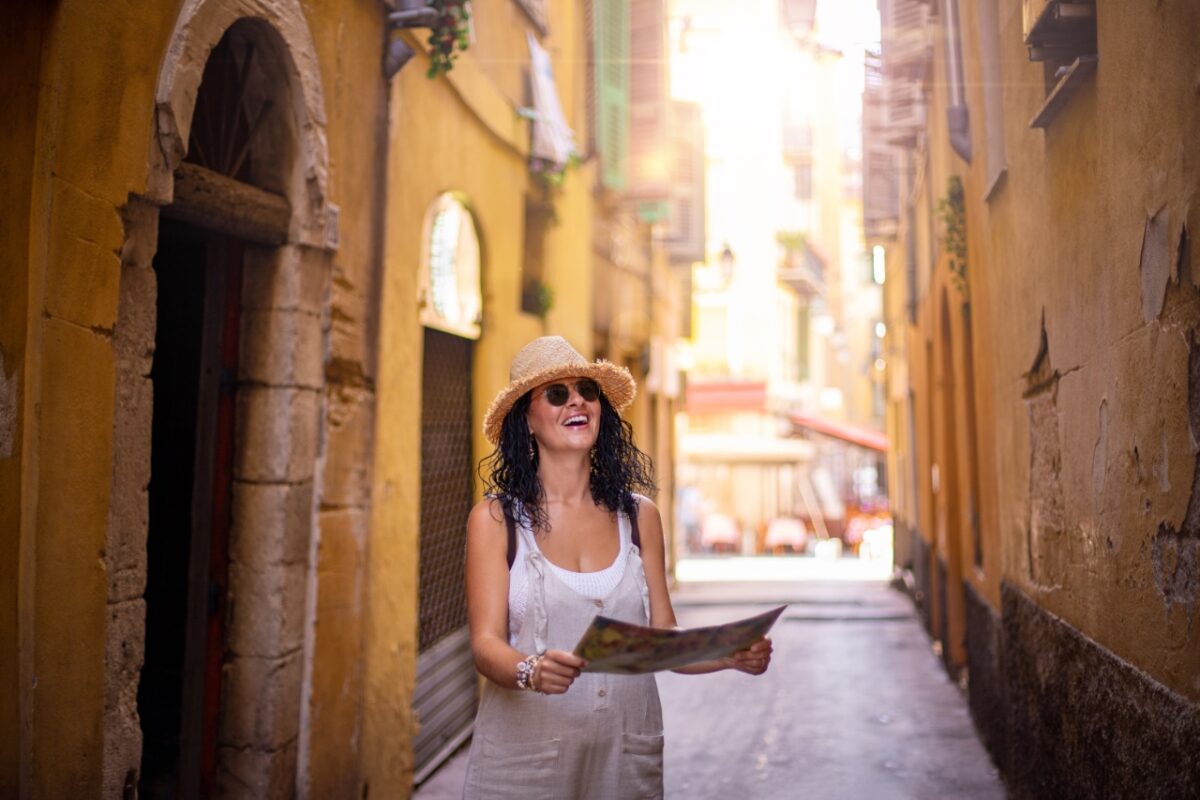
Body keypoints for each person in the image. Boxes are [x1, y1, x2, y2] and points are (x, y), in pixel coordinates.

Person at [462, 336, 773, 799]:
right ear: (525, 420)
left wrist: (727, 655)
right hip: (523, 767)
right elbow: (485, 644)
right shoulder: (496, 520)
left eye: (587, 389)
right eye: (556, 393)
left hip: (623, 763)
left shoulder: (639, 515)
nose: (577, 401)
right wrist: (530, 670)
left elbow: (660, 637)